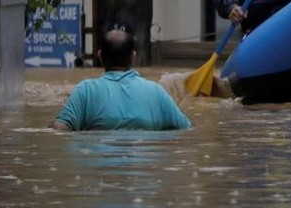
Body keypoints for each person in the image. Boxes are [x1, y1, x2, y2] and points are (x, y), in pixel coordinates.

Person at [49, 25, 191, 131]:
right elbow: (186, 128)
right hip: (142, 167)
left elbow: (59, 128)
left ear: (100, 56)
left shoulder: (85, 90)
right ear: (133, 57)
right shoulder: (156, 92)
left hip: (98, 168)